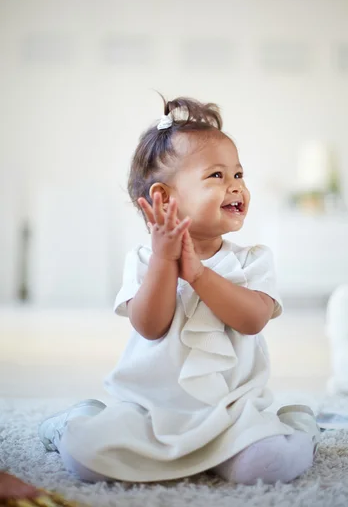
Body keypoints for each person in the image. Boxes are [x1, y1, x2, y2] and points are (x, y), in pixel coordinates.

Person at [38, 96, 320, 485]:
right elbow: (149, 326)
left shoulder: (253, 259)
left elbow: (253, 320)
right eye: (217, 176)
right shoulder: (142, 260)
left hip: (232, 410)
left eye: (239, 174)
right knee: (86, 460)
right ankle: (79, 418)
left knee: (265, 467)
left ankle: (298, 425)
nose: (237, 187)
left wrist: (200, 274)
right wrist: (165, 263)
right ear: (165, 198)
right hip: (150, 410)